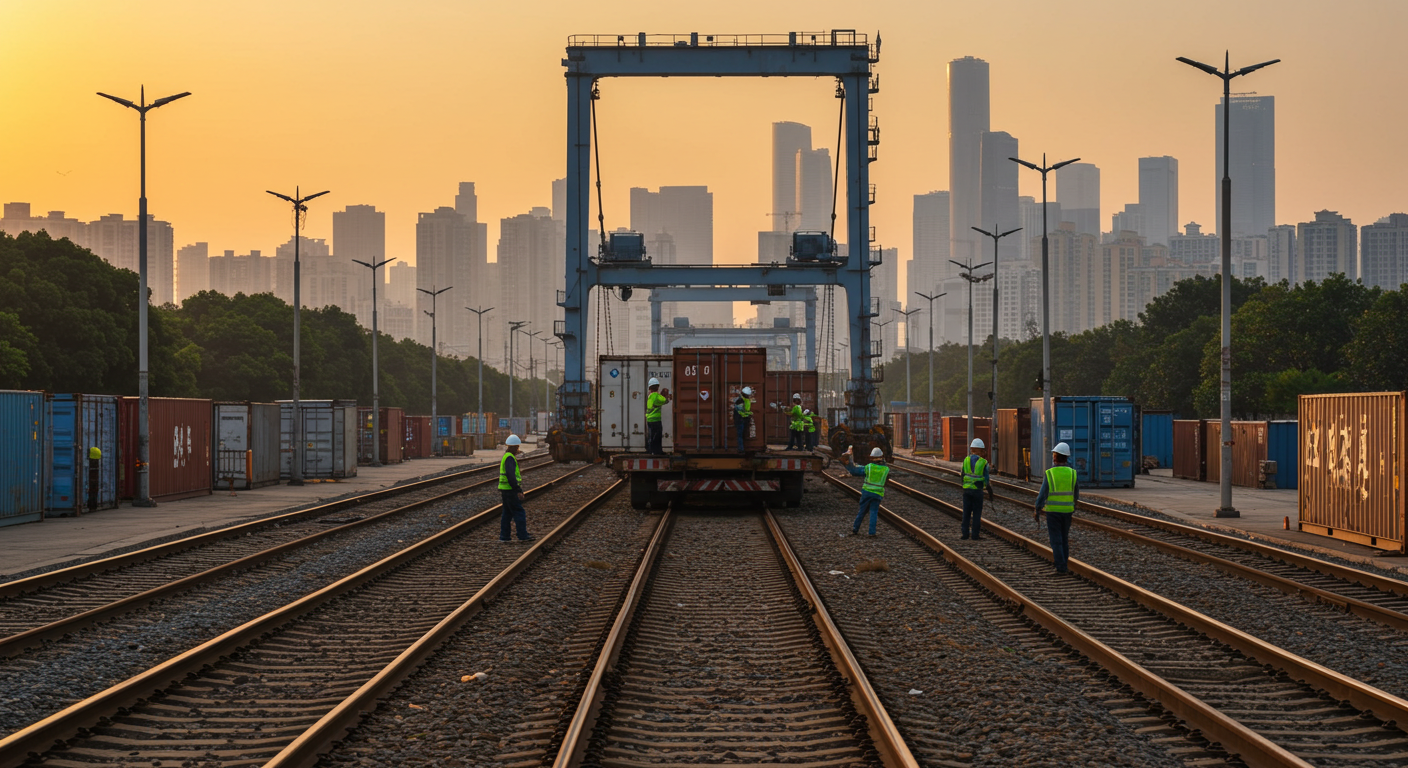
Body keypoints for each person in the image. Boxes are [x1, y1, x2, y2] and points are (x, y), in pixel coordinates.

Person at [1034, 442, 1080, 572]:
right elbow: (1076, 493)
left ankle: (1061, 567)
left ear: (1055, 457)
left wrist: (1037, 508)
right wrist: (1073, 505)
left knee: (1056, 540)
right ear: (1066, 457)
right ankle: (1064, 564)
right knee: (1064, 538)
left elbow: (1043, 493)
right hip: (1068, 511)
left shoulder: (1050, 473)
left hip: (1053, 512)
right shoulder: (1073, 473)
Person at [842, 446, 896, 536]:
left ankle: (855, 529)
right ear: (882, 457)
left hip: (867, 493)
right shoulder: (886, 469)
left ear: (872, 457)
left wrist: (848, 462)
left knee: (862, 511)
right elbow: (886, 480)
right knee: (874, 512)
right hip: (878, 494)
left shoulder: (869, 467)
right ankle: (872, 532)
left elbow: (855, 471)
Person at [498, 434, 533, 543]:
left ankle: (504, 537)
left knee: (507, 513)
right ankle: (522, 535)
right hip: (510, 490)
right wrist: (518, 490)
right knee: (519, 512)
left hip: (505, 489)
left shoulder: (506, 456)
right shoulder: (510, 458)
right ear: (516, 447)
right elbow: (511, 476)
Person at [960, 438, 993, 540]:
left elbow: (962, 475)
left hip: (967, 490)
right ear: (981, 451)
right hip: (977, 491)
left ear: (971, 449)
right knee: (976, 513)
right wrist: (989, 491)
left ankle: (965, 534)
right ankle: (975, 535)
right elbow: (986, 479)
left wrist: (965, 485)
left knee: (966, 513)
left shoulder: (966, 460)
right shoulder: (984, 462)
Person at [645, 377, 671, 455]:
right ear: (657, 387)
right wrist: (667, 396)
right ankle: (658, 451)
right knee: (657, 436)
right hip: (656, 420)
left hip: (649, 419)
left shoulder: (650, 396)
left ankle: (651, 450)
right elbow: (664, 400)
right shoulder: (656, 395)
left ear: (649, 387)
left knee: (651, 436)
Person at [734, 386, 754, 453]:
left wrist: (748, 414)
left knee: (742, 435)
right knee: (740, 435)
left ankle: (742, 449)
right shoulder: (740, 401)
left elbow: (744, 410)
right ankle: (741, 449)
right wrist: (749, 413)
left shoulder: (744, 400)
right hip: (741, 420)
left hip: (743, 420)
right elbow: (741, 412)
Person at [86, 445, 102, 514]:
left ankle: (90, 506)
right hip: (95, 480)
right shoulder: (97, 463)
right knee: (94, 493)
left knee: (91, 493)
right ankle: (94, 506)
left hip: (91, 480)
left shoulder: (89, 463)